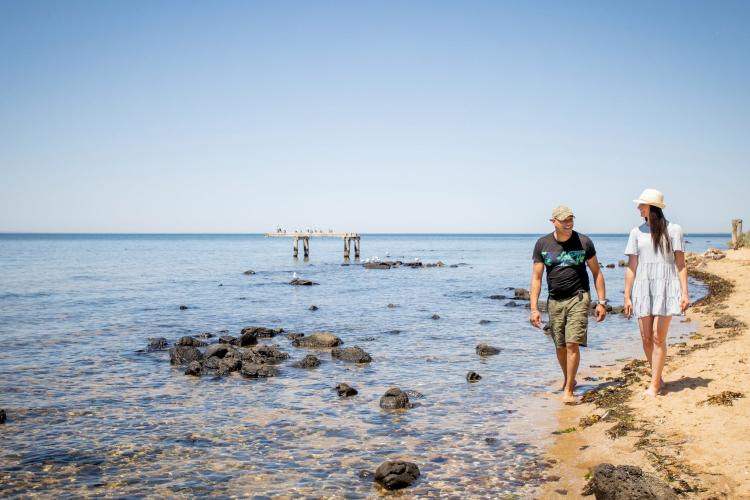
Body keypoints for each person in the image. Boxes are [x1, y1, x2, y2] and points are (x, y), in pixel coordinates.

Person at [530, 206, 608, 401]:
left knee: (573, 343)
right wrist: (534, 308)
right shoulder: (542, 244)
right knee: (560, 346)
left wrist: (602, 302)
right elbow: (537, 278)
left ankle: (568, 391)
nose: (568, 223)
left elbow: (596, 272)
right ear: (553, 221)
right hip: (555, 301)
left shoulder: (584, 242)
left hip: (579, 297)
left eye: (571, 219)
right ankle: (569, 379)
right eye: (564, 220)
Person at [623, 188, 688, 396]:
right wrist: (627, 295)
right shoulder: (636, 232)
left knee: (658, 336)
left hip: (666, 285)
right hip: (643, 287)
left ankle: (654, 385)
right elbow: (632, 266)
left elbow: (680, 263)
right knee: (646, 338)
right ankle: (657, 378)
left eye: (641, 204)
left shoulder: (674, 230)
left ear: (652, 207)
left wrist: (685, 293)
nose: (638, 207)